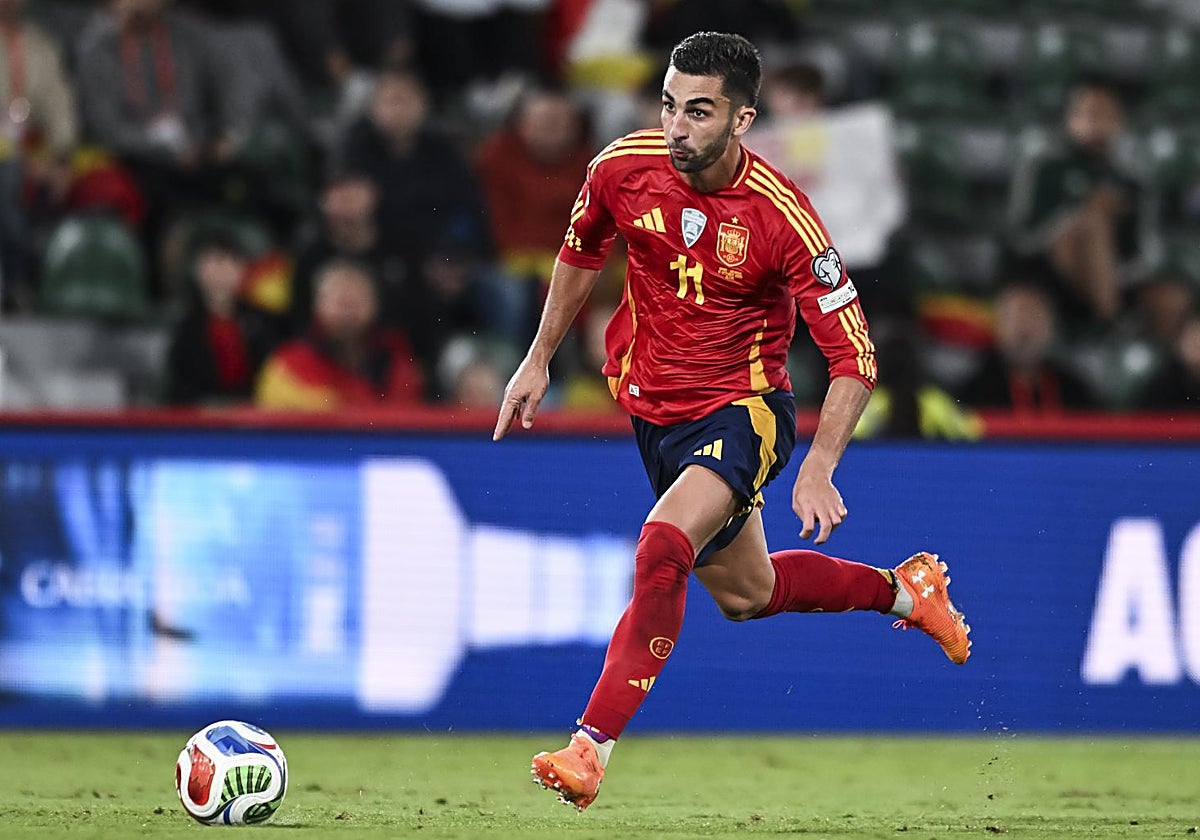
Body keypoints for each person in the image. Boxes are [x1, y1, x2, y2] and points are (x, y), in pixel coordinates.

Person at [493, 32, 971, 811]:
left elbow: (855, 355)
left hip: (745, 410)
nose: (678, 127)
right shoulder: (621, 167)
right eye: (670, 107)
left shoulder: (784, 217)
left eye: (700, 112)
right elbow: (580, 251)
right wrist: (539, 355)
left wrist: (817, 467)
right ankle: (908, 593)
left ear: (743, 120)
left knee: (661, 546)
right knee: (750, 593)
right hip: (654, 412)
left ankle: (589, 749)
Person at [1006, 75, 1150, 332]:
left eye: (1103, 112)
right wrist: (1081, 208)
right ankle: (1110, 321)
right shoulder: (1046, 169)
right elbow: (1023, 238)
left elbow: (1135, 255)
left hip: (1114, 279)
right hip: (1048, 276)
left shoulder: (1130, 183)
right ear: (1070, 119)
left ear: (1119, 121)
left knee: (1169, 295)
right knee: (1089, 221)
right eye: (1085, 112)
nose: (1094, 120)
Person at [256, 258, 424, 410]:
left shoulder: (399, 363)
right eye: (338, 299)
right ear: (317, 305)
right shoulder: (287, 367)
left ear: (376, 305)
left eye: (356, 299)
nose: (347, 309)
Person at [165, 231, 283, 405]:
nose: (222, 272)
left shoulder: (263, 321)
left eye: (230, 262)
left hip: (255, 413)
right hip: (201, 417)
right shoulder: (184, 326)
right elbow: (180, 387)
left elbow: (272, 374)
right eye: (215, 262)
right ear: (198, 270)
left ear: (242, 269)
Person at [959, 282, 1095, 413]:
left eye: (1034, 318)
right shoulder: (974, 393)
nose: (1024, 331)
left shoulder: (1074, 392)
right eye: (1015, 319)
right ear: (998, 326)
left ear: (1052, 328)